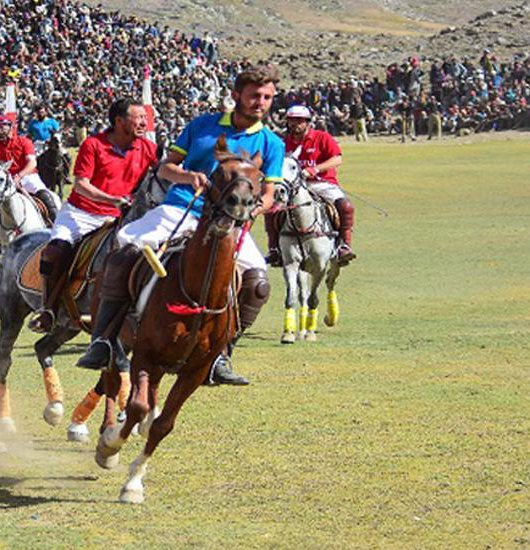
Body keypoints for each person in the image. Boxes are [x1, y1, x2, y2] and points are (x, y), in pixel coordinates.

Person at [76, 66, 284, 387]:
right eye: (254, 95)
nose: (261, 102)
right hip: (182, 208)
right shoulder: (202, 126)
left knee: (258, 282)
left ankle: (220, 354)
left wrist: (253, 208)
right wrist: (188, 176)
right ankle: (103, 339)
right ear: (236, 95)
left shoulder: (271, 143)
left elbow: (269, 193)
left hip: (228, 223)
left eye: (267, 97)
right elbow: (167, 166)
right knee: (126, 243)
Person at [27, 99, 156, 334]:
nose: (143, 122)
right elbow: (81, 185)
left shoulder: (147, 148)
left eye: (144, 118)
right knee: (55, 251)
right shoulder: (93, 144)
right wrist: (113, 200)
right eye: (138, 118)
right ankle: (48, 309)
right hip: (82, 214)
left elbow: (161, 176)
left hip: (123, 217)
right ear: (119, 121)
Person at [265, 105, 357, 266]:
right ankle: (274, 249)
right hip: (293, 186)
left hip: (322, 184)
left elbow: (337, 159)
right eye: (292, 121)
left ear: (308, 122)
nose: (295, 125)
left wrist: (315, 169)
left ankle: (344, 246)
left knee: (346, 206)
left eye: (299, 121)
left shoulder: (322, 137)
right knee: (272, 208)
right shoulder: (284, 143)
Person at [0, 113, 61, 221]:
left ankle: (55, 222)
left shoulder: (24, 142)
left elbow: (32, 163)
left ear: (9, 126)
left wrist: (19, 176)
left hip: (28, 177)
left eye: (0, 127)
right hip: (8, 180)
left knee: (45, 195)